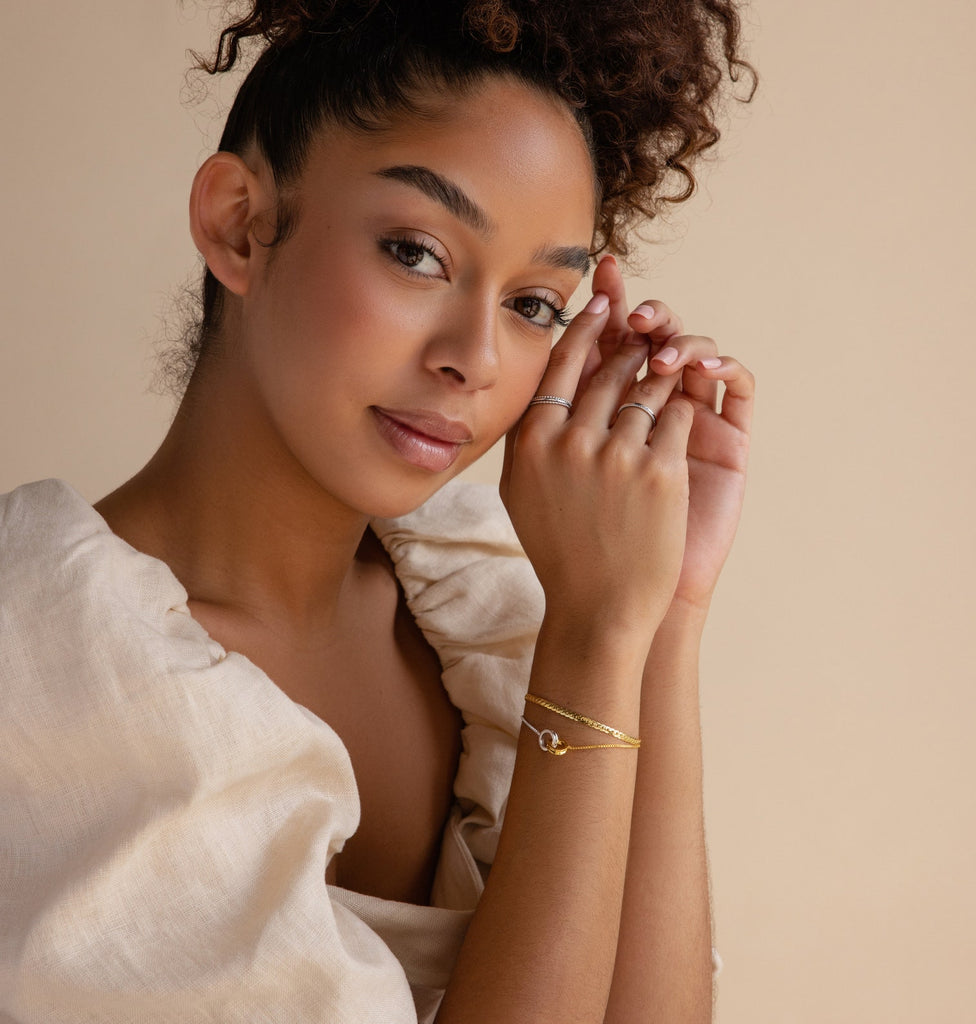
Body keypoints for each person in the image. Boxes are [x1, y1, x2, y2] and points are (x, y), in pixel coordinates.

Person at [0, 1, 755, 1021]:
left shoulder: (479, 619)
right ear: (239, 225)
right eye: (418, 252)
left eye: (533, 304)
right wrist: (590, 635)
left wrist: (659, 615)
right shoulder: (52, 675)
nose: (474, 360)